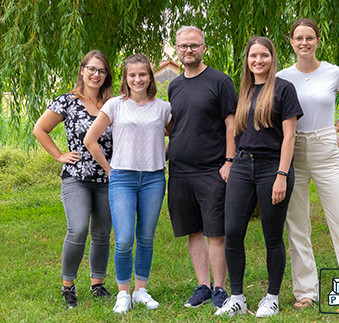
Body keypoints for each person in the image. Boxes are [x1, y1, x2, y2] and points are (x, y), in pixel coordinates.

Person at [276, 18, 339, 309]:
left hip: (325, 148)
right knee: (297, 224)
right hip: (293, 150)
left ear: (318, 41)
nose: (304, 42)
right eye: (298, 38)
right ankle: (305, 291)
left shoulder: (334, 73)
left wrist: (337, 128)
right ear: (291, 42)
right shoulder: (281, 77)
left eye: (310, 37)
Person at [214, 36, 303, 317]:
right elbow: (234, 131)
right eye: (253, 56)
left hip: (272, 167)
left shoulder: (284, 90)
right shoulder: (244, 90)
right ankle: (237, 297)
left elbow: (289, 137)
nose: (258, 61)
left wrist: (281, 175)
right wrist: (230, 161)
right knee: (232, 233)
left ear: (272, 57)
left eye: (263, 55)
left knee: (272, 235)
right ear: (247, 60)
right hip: (242, 166)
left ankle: (272, 297)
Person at [84, 53, 172, 314]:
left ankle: (141, 289)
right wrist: (109, 170)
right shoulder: (114, 105)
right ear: (125, 78)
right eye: (132, 75)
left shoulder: (163, 108)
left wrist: (161, 155)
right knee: (123, 239)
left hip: (154, 178)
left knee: (146, 237)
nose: (137, 79)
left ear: (150, 77)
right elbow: (91, 140)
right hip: (122, 178)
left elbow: (175, 136)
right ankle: (123, 293)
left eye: (142, 74)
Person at [33, 50, 113, 309]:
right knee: (77, 229)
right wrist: (59, 155)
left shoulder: (112, 103)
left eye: (101, 71)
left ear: (106, 75)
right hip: (76, 177)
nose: (96, 74)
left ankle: (98, 284)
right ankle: (68, 286)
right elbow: (40, 129)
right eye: (91, 69)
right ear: (82, 70)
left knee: (102, 233)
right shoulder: (67, 101)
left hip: (108, 178)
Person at [167, 26, 237, 309]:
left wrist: (229, 161)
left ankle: (220, 288)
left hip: (213, 169)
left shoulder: (220, 81)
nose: (188, 51)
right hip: (180, 171)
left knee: (215, 231)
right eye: (183, 46)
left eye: (194, 45)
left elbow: (231, 124)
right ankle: (203, 286)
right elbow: (175, 127)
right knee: (193, 230)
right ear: (177, 49)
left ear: (204, 47)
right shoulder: (174, 86)